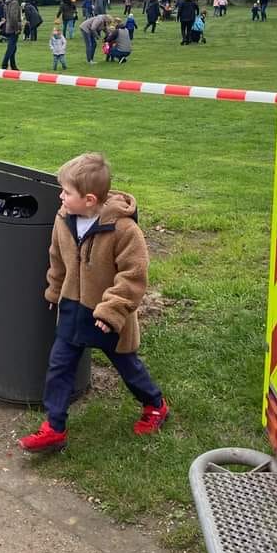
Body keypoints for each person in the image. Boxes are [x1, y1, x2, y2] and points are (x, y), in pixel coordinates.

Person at [18, 152, 168, 453]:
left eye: (66, 192)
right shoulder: (63, 219)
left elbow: (133, 275)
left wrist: (112, 311)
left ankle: (154, 404)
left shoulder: (124, 230)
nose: (60, 196)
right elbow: (58, 259)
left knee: (127, 365)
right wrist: (54, 291)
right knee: (60, 366)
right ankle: (54, 427)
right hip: (73, 307)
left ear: (89, 199)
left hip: (107, 315)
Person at [2, 0, 22, 69]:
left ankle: (13, 65)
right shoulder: (14, 2)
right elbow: (13, 17)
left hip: (8, 26)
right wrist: (17, 28)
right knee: (11, 47)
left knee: (13, 47)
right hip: (13, 28)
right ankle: (5, 64)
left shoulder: (8, 1)